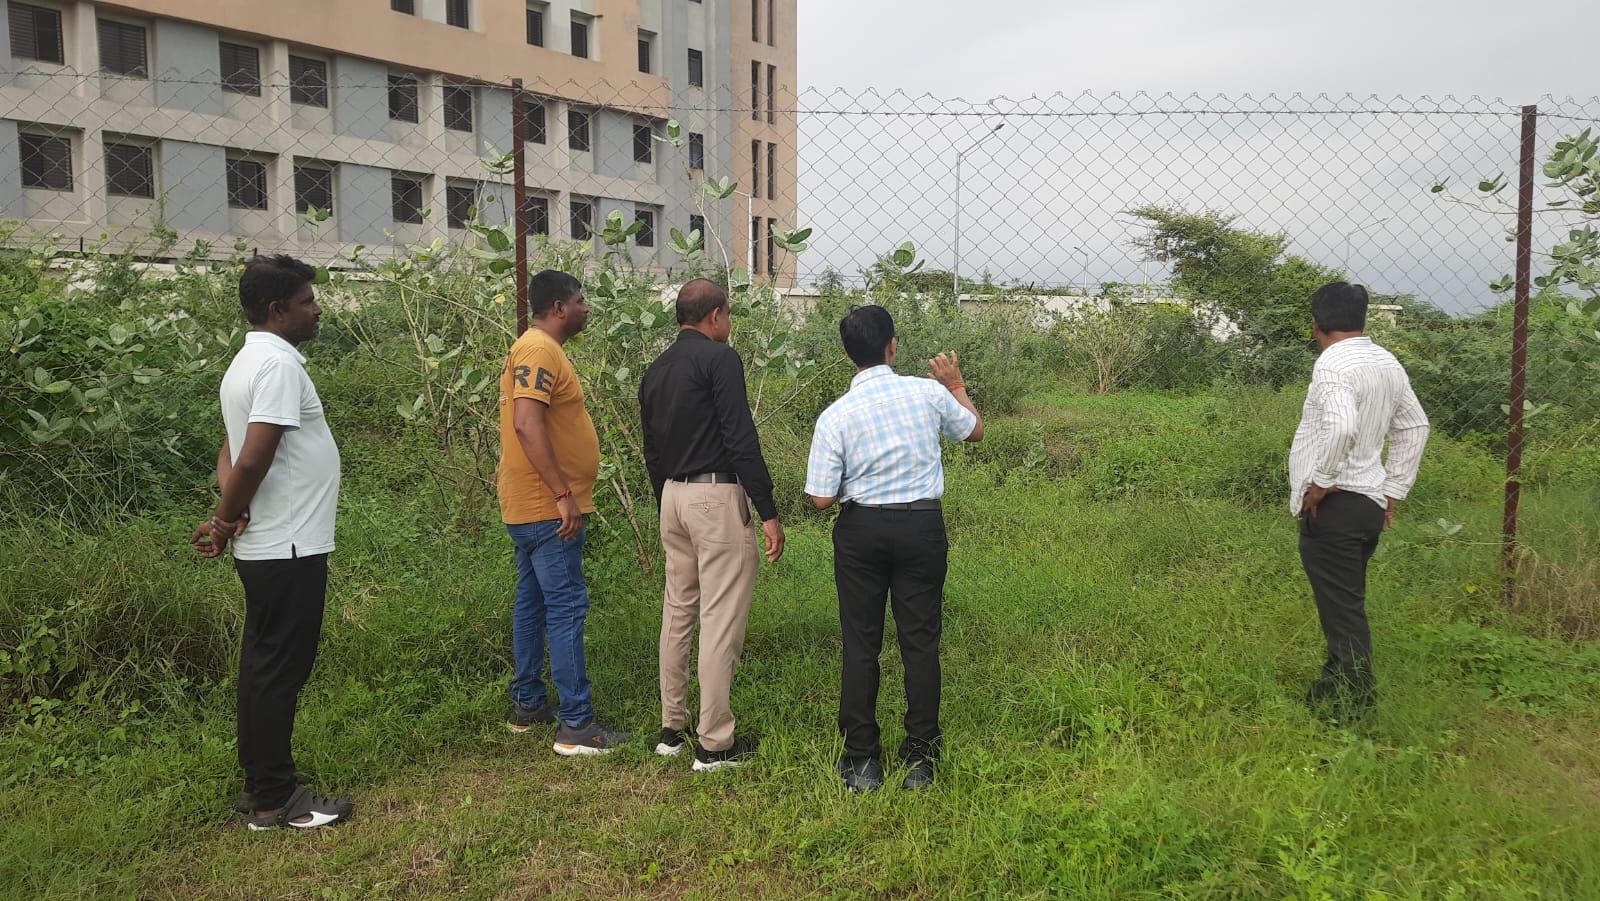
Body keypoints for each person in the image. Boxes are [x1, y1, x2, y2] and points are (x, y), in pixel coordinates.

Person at [190, 254, 353, 830]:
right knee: (281, 669)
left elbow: (231, 450)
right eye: (308, 301)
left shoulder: (247, 361)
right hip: (289, 544)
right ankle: (275, 801)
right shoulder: (278, 366)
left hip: (275, 542)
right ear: (278, 309)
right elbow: (252, 457)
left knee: (264, 666)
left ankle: (262, 782)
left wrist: (231, 512)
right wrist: (222, 518)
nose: (317, 310)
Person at [804, 305, 983, 792]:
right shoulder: (927, 393)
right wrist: (956, 385)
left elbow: (821, 499)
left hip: (862, 531)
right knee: (920, 642)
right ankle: (921, 757)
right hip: (921, 527)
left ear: (848, 354)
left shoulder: (835, 415)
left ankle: (863, 760)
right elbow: (974, 430)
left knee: (861, 643)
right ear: (893, 346)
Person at [638, 279, 785, 772]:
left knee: (679, 610)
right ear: (716, 315)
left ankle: (671, 728)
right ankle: (714, 744)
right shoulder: (720, 359)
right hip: (715, 495)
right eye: (728, 314)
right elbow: (739, 436)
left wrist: (667, 498)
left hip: (673, 497)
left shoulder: (656, 369)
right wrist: (767, 509)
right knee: (719, 620)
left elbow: (651, 449)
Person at [498, 269, 631, 755]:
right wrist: (561, 493)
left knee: (533, 602)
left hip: (531, 504)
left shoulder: (536, 348)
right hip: (545, 507)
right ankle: (577, 725)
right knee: (566, 607)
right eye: (579, 300)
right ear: (558, 308)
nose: (585, 308)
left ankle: (528, 703)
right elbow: (526, 423)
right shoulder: (539, 349)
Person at [1290, 281, 1429, 720]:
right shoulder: (1386, 361)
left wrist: (1321, 482)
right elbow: (1415, 426)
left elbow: (1342, 425)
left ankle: (1355, 709)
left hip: (1335, 507)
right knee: (1344, 603)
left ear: (1316, 323)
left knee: (1344, 613)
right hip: (1368, 504)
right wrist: (1393, 490)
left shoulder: (1332, 364)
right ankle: (1328, 689)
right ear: (1363, 318)